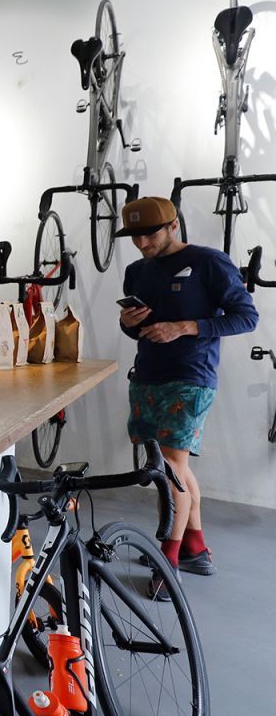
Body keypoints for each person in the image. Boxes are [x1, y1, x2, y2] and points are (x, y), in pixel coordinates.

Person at [115, 196, 257, 600]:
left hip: (191, 377)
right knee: (171, 466)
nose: (142, 243)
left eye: (150, 234)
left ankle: (169, 558)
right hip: (147, 376)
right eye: (135, 236)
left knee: (169, 469)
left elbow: (246, 316)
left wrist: (186, 327)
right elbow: (136, 331)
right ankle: (195, 548)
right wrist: (128, 323)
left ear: (173, 225)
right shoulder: (135, 272)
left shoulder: (210, 262)